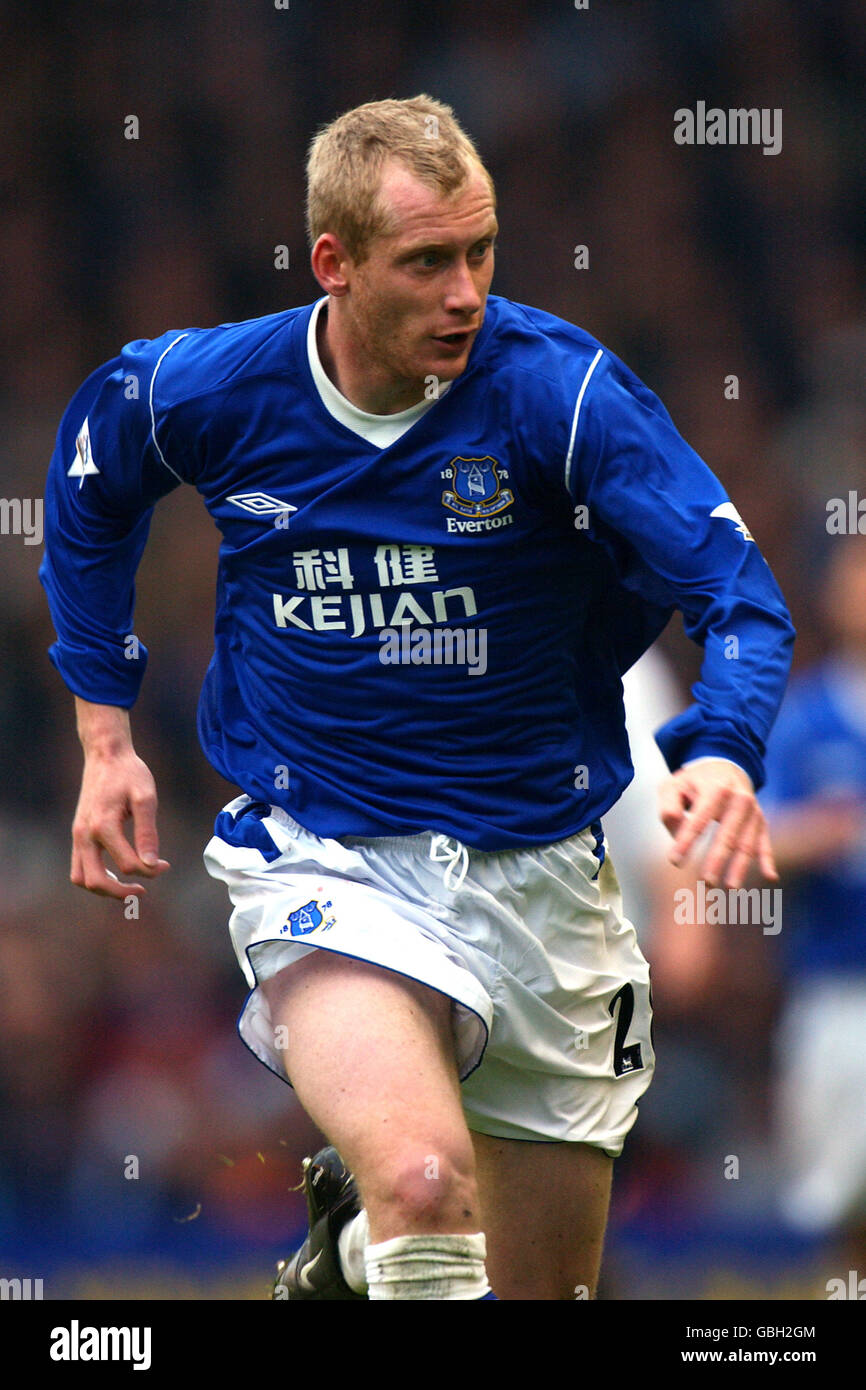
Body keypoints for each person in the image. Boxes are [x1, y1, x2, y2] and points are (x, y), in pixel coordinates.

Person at [40, 95, 794, 1301]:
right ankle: (381, 1224)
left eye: (481, 252)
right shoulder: (211, 389)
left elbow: (738, 591)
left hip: (545, 876)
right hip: (326, 857)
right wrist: (103, 733)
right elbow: (90, 478)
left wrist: (726, 747)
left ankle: (342, 1265)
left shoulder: (563, 396)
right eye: (427, 260)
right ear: (332, 264)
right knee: (426, 1184)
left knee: (529, 1285)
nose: (465, 292)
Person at [760, 537, 866, 1271]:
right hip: (838, 997)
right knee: (839, 1203)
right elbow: (753, 839)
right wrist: (824, 834)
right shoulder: (807, 716)